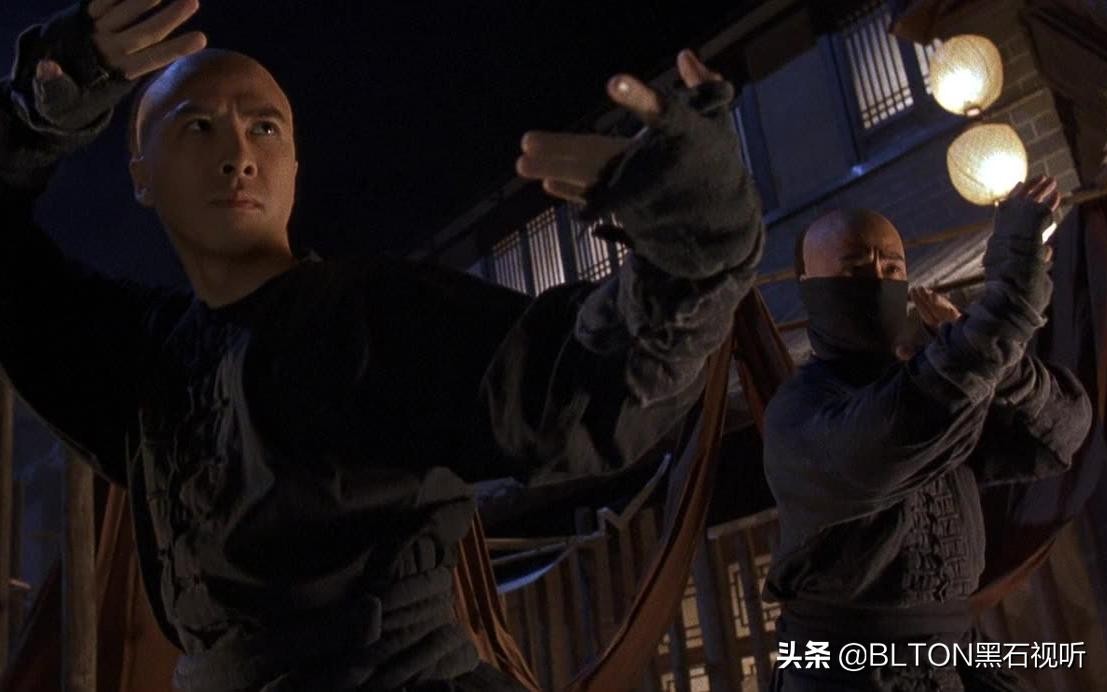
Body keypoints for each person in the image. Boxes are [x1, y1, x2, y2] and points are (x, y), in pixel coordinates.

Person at [0, 2, 766, 690]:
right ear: (140, 173)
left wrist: (697, 246)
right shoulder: (144, 361)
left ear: (293, 165)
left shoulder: (376, 315)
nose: (238, 154)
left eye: (264, 128)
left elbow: (583, 389)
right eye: (197, 126)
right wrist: (40, 108)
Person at [762, 198, 1092, 691]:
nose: (878, 279)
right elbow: (900, 430)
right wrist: (1000, 316)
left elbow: (1061, 433)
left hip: (951, 649)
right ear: (811, 286)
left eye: (892, 267)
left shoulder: (938, 384)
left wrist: (1008, 372)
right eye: (855, 269)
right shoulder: (801, 411)